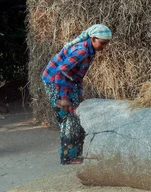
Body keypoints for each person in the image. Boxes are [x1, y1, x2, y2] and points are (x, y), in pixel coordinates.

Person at [41, 24, 112, 165]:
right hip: (54, 80)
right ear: (93, 39)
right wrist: (64, 98)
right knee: (70, 119)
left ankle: (73, 154)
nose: (104, 47)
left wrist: (78, 95)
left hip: (64, 81)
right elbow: (60, 72)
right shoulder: (81, 51)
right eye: (102, 43)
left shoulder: (90, 50)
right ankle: (68, 158)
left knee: (74, 114)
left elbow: (77, 76)